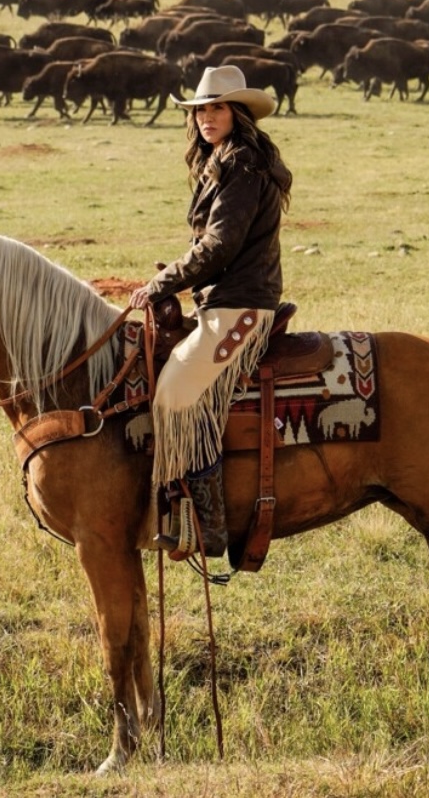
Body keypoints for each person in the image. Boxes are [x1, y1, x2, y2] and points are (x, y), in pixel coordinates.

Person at [129, 64, 292, 559]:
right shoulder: (223, 160)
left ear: (238, 113)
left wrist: (164, 281)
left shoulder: (242, 162)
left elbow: (220, 245)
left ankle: (209, 525)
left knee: (175, 392)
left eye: (216, 107)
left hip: (242, 306)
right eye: (200, 109)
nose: (205, 117)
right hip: (222, 301)